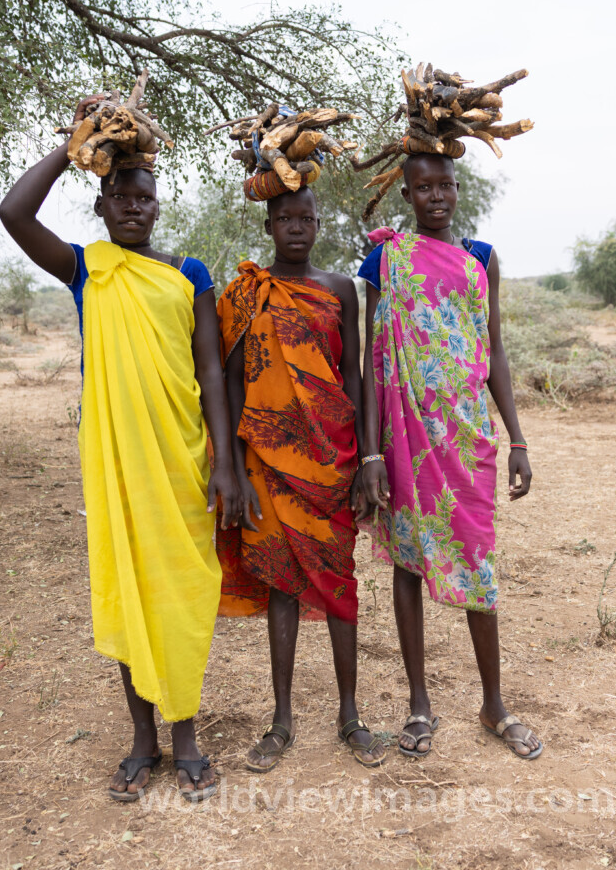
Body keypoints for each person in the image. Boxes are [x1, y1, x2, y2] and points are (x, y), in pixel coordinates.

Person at [0, 93, 241, 803]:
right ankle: (143, 738)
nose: (134, 208)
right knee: (129, 590)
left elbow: (210, 370)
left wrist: (225, 461)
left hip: (183, 457)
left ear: (158, 206)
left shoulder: (188, 274)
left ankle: (187, 733)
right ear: (102, 205)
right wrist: (72, 148)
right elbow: (14, 215)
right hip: (116, 461)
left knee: (184, 592)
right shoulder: (87, 269)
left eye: (145, 198)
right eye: (120, 198)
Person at [357, 151, 543, 761]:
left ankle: (494, 704)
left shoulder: (481, 258)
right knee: (408, 564)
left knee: (476, 564)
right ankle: (418, 704)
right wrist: (369, 453)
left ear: (458, 189)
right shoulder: (387, 258)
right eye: (422, 187)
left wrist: (516, 438)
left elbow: (494, 351)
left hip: (464, 437)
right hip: (404, 436)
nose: (436, 196)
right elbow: (373, 356)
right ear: (406, 195)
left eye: (445, 186)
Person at [216, 181, 386, 771]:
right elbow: (235, 383)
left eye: (306, 218)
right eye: (284, 218)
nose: (296, 227)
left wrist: (367, 460)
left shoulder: (341, 290)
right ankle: (281, 719)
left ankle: (350, 714)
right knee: (283, 585)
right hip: (268, 462)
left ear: (318, 223)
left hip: (331, 461)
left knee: (339, 582)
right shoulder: (245, 295)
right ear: (268, 227)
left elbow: (353, 376)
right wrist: (234, 470)